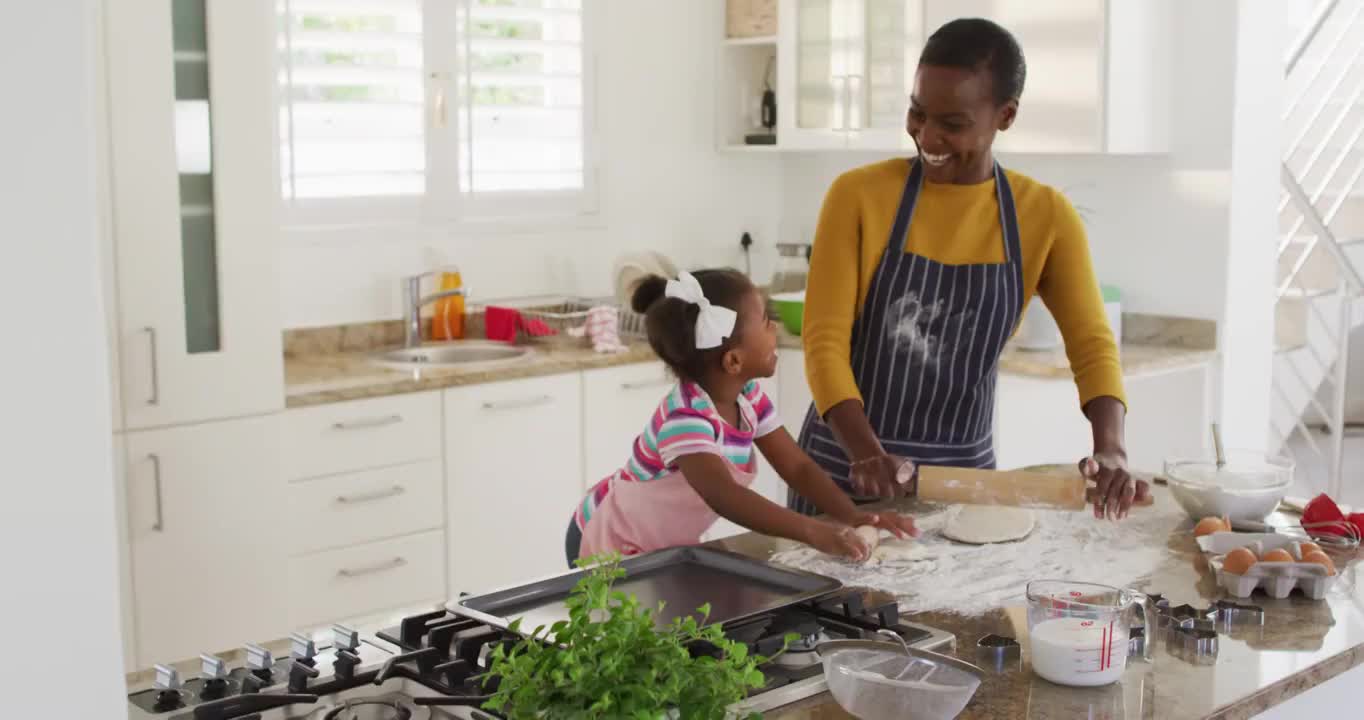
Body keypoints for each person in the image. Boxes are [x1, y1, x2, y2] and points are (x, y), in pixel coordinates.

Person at [791, 18, 1149, 521]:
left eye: (952, 124)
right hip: (844, 474)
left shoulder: (1043, 216)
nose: (927, 135)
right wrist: (866, 454)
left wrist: (1111, 448)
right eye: (917, 113)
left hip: (962, 483)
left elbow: (1092, 344)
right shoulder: (858, 196)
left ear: (1005, 116)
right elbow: (823, 342)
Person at [565, 269, 918, 566]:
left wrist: (851, 515)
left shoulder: (747, 398)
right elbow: (725, 495)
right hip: (608, 541)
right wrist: (811, 530)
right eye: (765, 322)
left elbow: (797, 468)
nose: (774, 330)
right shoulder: (685, 418)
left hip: (660, 546)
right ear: (733, 361)